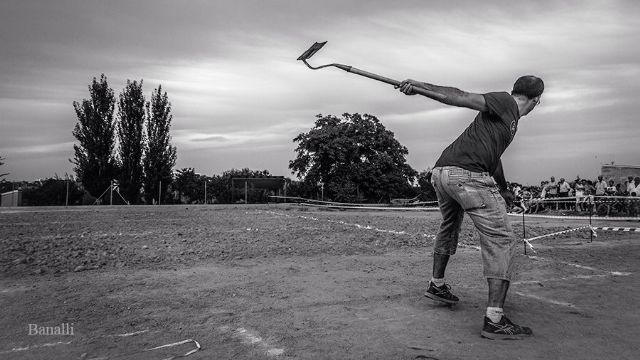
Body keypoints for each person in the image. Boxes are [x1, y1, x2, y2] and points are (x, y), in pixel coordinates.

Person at [397, 75, 543, 340]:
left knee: (450, 225)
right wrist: (419, 88)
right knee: (501, 240)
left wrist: (504, 187)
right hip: (465, 175)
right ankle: (495, 319)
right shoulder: (505, 101)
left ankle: (437, 284)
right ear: (536, 100)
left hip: (442, 173)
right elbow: (460, 96)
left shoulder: (508, 122)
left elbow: (494, 160)